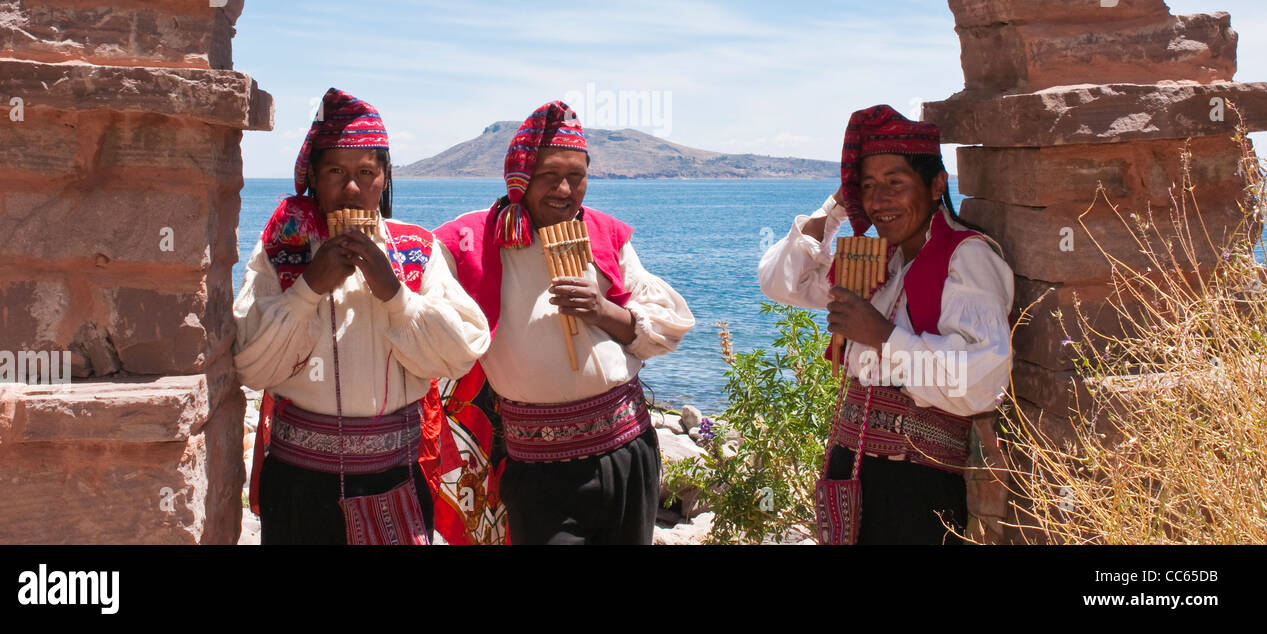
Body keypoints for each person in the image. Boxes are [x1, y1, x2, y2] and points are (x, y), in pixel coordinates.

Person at [233, 88, 490, 544]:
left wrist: (393, 293)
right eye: (335, 171)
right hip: (299, 484)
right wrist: (309, 286)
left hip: (397, 478)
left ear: (385, 177)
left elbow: (460, 353)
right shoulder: (280, 250)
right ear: (313, 174)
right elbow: (253, 367)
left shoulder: (417, 248)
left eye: (367, 172)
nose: (352, 188)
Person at [433, 100, 695, 545]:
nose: (565, 190)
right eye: (549, 176)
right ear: (521, 180)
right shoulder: (472, 240)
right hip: (538, 467)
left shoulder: (604, 233)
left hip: (627, 449)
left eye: (577, 177)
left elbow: (667, 326)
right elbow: (421, 297)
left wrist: (603, 311)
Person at [758, 104, 1013, 544]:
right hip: (852, 470)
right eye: (869, 186)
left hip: (915, 490)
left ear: (936, 185)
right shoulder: (879, 261)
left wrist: (882, 336)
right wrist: (837, 205)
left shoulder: (966, 257)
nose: (878, 201)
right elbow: (781, 282)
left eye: (895, 183)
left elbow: (980, 383)